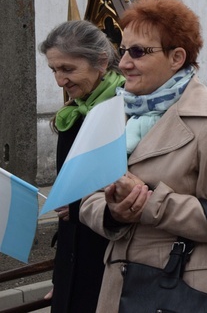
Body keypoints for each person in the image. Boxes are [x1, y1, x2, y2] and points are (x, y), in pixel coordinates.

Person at [79, 0, 207, 312]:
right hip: (117, 282)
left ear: (176, 57)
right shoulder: (114, 112)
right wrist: (113, 212)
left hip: (180, 287)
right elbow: (87, 197)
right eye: (123, 49)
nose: (125, 62)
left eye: (139, 52)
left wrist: (148, 203)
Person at [39, 20, 124, 312]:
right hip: (72, 259)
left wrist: (76, 205)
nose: (59, 81)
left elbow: (133, 191)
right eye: (54, 70)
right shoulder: (72, 115)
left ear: (101, 62)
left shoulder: (128, 111)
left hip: (110, 262)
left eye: (67, 69)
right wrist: (60, 278)